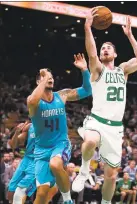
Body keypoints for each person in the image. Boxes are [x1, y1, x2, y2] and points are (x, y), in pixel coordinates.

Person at [72, 7, 137, 204]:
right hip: (96, 120)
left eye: (108, 48)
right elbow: (92, 53)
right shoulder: (97, 70)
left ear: (115, 54)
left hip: (115, 128)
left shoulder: (123, 70)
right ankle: (84, 170)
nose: (104, 49)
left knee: (111, 175)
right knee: (89, 142)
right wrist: (87, 28)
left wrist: (130, 35)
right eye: (103, 47)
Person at [27, 54, 92, 204]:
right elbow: (33, 100)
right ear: (38, 81)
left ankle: (68, 199)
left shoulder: (61, 95)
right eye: (45, 77)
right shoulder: (33, 102)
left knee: (55, 164)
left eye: (51, 77)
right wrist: (43, 80)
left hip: (60, 143)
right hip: (41, 150)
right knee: (41, 194)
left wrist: (84, 70)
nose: (50, 78)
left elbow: (87, 90)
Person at [8, 121, 58, 204]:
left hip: (38, 162)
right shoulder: (30, 127)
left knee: (20, 190)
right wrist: (17, 132)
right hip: (26, 159)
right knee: (11, 191)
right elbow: (14, 145)